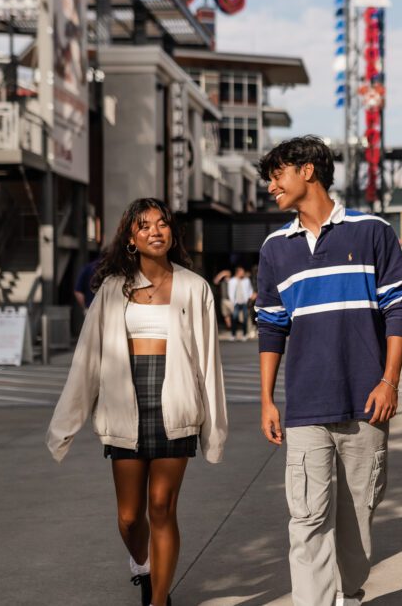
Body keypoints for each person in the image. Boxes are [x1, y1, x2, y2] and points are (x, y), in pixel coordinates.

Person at [255, 135, 402, 606]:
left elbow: (399, 309)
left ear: (308, 171)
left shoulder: (372, 232)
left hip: (368, 402)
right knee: (307, 520)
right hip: (305, 406)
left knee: (358, 519)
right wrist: (266, 399)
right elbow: (270, 327)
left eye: (276, 175)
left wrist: (389, 380)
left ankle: (351, 592)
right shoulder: (274, 248)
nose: (270, 187)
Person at [46, 198, 228, 606]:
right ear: (130, 237)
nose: (155, 231)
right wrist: (65, 427)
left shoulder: (194, 287)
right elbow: (87, 359)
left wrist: (213, 429)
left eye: (162, 224)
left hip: (175, 404)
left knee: (162, 506)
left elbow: (208, 362)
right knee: (130, 517)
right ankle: (143, 565)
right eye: (144, 225)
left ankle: (159, 599)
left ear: (172, 233)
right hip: (124, 405)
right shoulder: (112, 289)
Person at [227, 265, 253, 340]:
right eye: (242, 272)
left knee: (245, 319)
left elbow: (250, 289)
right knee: (234, 318)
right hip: (236, 302)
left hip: (244, 302)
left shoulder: (246, 280)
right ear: (237, 272)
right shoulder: (232, 281)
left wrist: (249, 297)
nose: (243, 273)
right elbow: (230, 291)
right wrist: (233, 301)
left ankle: (244, 335)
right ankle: (233, 335)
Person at [212, 269, 233, 334]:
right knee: (226, 314)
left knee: (235, 313)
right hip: (223, 300)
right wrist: (221, 274)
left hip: (231, 300)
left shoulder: (232, 281)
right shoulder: (222, 281)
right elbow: (215, 281)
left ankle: (234, 326)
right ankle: (230, 328)